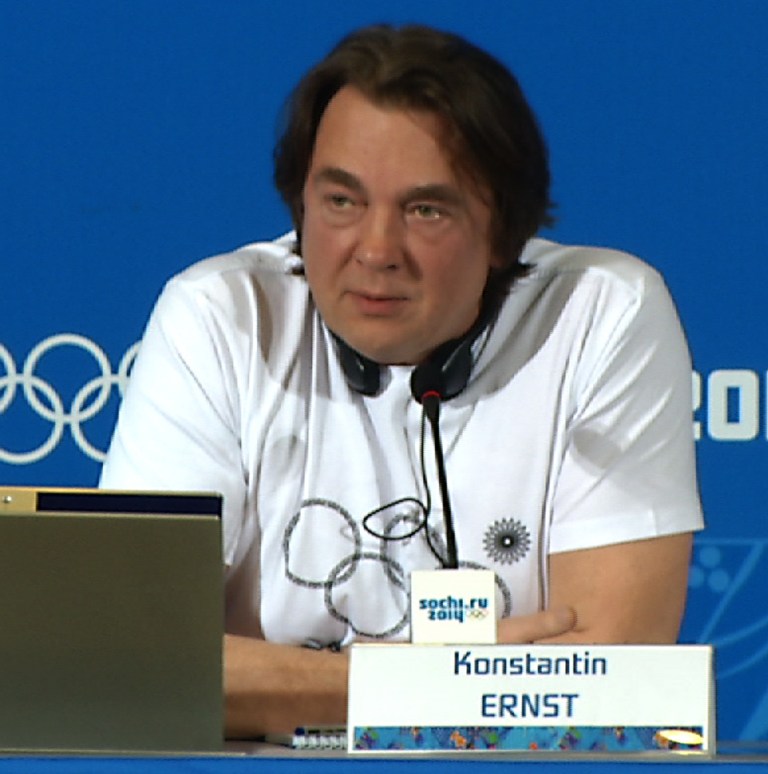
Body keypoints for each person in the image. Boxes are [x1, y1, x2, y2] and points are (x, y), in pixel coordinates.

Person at [100, 23, 704, 737]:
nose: (377, 250)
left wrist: (289, 683)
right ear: (300, 207)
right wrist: (431, 678)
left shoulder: (600, 313)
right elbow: (127, 664)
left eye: (425, 210)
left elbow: (608, 683)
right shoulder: (221, 317)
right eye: (341, 202)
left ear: (503, 229)